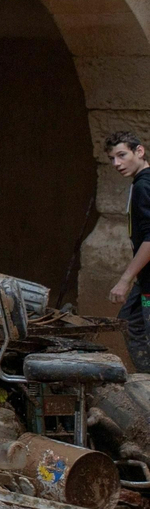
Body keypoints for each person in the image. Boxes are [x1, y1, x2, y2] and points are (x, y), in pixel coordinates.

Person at [107, 130, 150, 373]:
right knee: (129, 320)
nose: (116, 163)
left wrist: (125, 280)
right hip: (145, 278)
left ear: (139, 151)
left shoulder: (144, 185)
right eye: (112, 158)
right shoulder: (140, 183)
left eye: (122, 155)